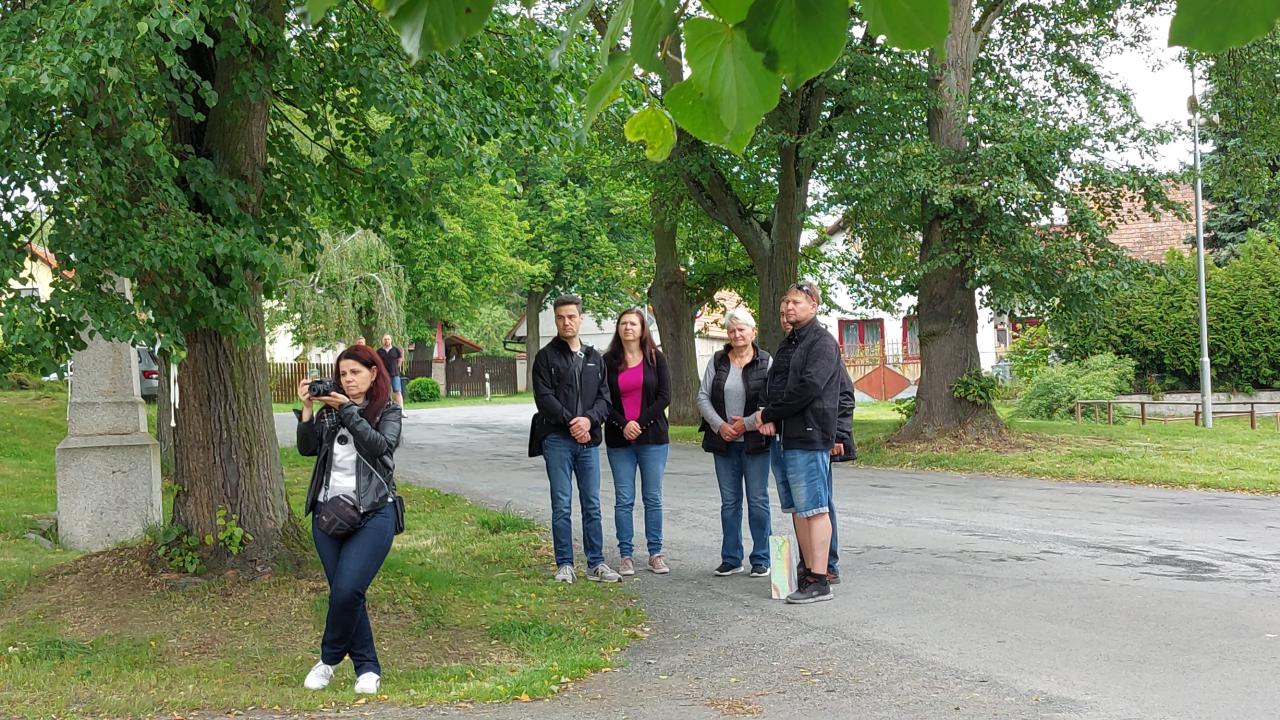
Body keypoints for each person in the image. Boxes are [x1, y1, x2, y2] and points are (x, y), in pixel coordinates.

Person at [295, 344, 402, 694]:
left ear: (373, 373)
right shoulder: (329, 412)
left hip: (375, 511)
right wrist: (308, 410)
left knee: (348, 590)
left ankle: (327, 661)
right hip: (328, 514)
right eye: (343, 374)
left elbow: (380, 446)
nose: (348, 379)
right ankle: (367, 669)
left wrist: (348, 411)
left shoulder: (388, 411)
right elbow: (307, 449)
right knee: (346, 593)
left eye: (355, 372)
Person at [755, 280, 842, 604]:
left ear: (813, 306)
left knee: (815, 509)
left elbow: (809, 388)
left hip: (809, 435)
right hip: (784, 437)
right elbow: (774, 385)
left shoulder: (822, 342)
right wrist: (767, 414)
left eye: (797, 302)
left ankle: (820, 579)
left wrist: (770, 413)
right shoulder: (788, 344)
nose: (789, 307)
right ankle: (806, 572)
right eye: (787, 302)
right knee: (797, 509)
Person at [528, 295, 622, 584]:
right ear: (555, 320)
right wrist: (573, 422)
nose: (566, 322)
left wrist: (588, 421)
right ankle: (565, 564)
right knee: (562, 504)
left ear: (581, 319)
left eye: (571, 317)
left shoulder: (595, 358)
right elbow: (544, 399)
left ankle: (596, 563)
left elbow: (605, 399)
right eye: (560, 318)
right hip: (557, 440)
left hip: (589, 442)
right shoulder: (545, 357)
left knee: (592, 503)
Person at [776, 305, 849, 584]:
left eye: (792, 310)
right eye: (782, 314)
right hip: (788, 436)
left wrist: (839, 434)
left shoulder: (821, 348)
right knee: (801, 506)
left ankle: (827, 566)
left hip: (817, 435)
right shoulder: (786, 350)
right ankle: (808, 564)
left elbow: (843, 393)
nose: (787, 317)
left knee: (819, 504)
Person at [697, 307, 773, 578]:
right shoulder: (718, 361)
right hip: (724, 443)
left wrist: (747, 423)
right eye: (731, 330)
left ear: (753, 332)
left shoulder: (766, 361)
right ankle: (731, 558)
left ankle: (761, 558)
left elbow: (773, 402)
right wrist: (720, 426)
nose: (736, 334)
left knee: (758, 500)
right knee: (729, 502)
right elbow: (703, 397)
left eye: (741, 329)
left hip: (755, 442)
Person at [603, 308, 672, 575]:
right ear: (618, 328)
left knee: (652, 497)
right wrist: (624, 424)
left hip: (652, 439)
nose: (628, 327)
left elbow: (664, 396)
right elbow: (603, 399)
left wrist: (639, 423)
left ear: (643, 329)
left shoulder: (656, 358)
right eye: (624, 323)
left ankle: (655, 553)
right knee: (624, 499)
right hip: (619, 440)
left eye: (633, 323)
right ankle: (626, 555)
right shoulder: (608, 361)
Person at [377, 334, 404, 406]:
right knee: (386, 392)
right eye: (385, 339)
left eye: (388, 339)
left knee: (397, 391)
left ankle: (401, 409)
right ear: (383, 341)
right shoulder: (379, 351)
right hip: (384, 375)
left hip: (395, 374)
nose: (387, 341)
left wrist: (396, 367)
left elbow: (400, 359)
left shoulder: (395, 350)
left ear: (391, 340)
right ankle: (387, 408)